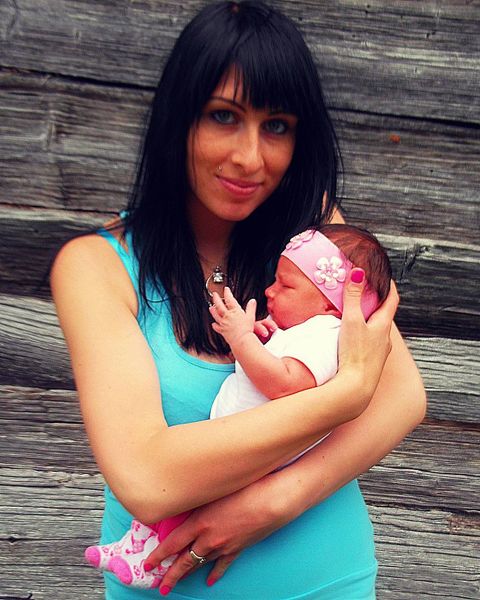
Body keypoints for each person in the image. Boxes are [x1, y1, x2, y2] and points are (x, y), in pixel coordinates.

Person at [50, 2, 426, 599]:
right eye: (224, 116)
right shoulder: (96, 266)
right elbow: (147, 478)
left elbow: (404, 397)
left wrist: (271, 504)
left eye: (276, 126)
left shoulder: (315, 233)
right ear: (180, 119)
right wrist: (349, 394)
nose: (250, 158)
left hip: (330, 580)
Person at [83, 223, 393, 590]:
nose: (270, 290)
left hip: (260, 457)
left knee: (191, 508)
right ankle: (134, 546)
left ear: (329, 303)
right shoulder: (301, 332)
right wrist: (259, 338)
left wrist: (242, 339)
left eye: (286, 286)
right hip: (245, 444)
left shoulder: (326, 336)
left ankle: (150, 562)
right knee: (182, 499)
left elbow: (284, 383)